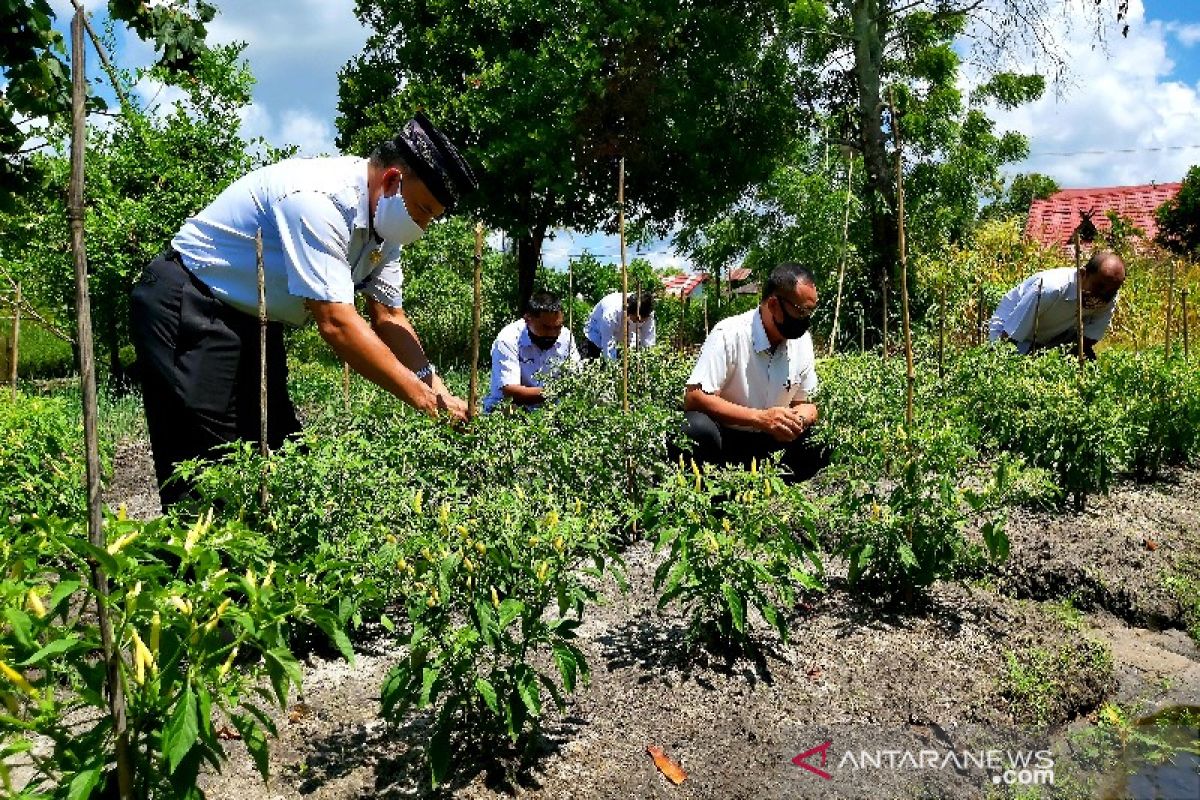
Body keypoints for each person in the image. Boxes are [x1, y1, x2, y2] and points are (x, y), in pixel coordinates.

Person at [130, 112, 477, 508]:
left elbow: (389, 317)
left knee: (281, 452)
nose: (423, 225)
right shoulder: (319, 201)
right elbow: (337, 324)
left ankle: (267, 564)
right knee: (208, 469)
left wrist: (438, 391)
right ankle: (192, 567)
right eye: (423, 210)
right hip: (189, 302)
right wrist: (423, 400)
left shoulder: (386, 225)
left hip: (255, 320)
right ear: (393, 181)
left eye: (432, 217)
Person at [679, 262, 826, 481]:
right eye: (800, 311)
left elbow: (807, 402)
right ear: (774, 304)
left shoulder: (802, 341)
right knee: (694, 429)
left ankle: (782, 498)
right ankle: (711, 496)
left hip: (775, 443)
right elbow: (695, 397)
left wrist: (799, 420)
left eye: (810, 312)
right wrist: (759, 418)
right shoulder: (729, 334)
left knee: (822, 440)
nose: (805, 320)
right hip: (728, 440)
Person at [989, 250, 1126, 360]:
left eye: (1111, 290)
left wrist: (1061, 361)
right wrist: (999, 360)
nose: (1102, 294)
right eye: (1099, 286)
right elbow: (1011, 335)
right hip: (1008, 331)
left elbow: (1089, 338)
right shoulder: (1049, 289)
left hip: (1052, 337)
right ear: (1083, 274)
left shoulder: (1108, 296)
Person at [483, 291, 580, 413]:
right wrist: (556, 390)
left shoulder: (566, 337)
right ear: (527, 319)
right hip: (510, 407)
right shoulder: (508, 339)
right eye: (545, 327)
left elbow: (576, 376)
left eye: (557, 327)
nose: (552, 334)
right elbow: (510, 391)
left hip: (550, 409)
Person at [582, 289, 656, 359]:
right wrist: (613, 368)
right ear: (629, 312)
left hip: (622, 341)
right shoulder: (611, 313)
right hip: (596, 337)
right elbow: (608, 346)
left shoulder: (647, 312)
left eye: (641, 321)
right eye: (637, 320)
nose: (639, 323)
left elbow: (648, 341)